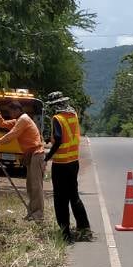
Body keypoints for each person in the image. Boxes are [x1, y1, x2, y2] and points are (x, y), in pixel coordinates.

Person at [44, 92, 91, 242]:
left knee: (60, 199)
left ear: (55, 105)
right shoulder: (73, 115)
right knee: (74, 196)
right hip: (73, 162)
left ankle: (65, 234)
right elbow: (67, 136)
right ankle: (84, 228)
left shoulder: (57, 118)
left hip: (61, 164)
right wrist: (50, 139)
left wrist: (47, 157)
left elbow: (59, 139)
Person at [0, 101, 44, 222]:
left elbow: (13, 134)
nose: (10, 114)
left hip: (36, 154)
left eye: (11, 111)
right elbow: (2, 123)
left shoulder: (23, 119)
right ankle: (32, 212)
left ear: (17, 110)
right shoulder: (18, 120)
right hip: (30, 155)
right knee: (30, 186)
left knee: (36, 186)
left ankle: (38, 215)